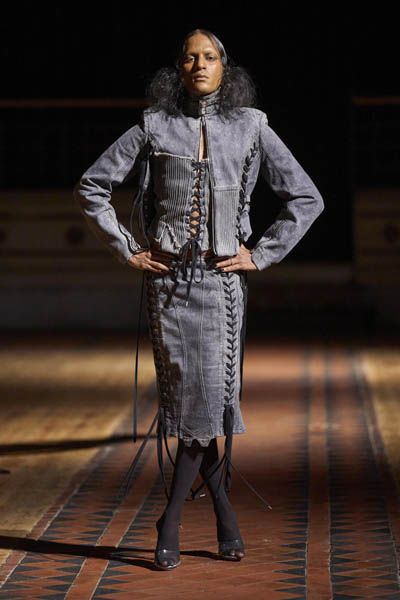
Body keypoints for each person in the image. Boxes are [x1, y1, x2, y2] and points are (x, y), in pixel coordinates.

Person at [73, 28, 324, 570]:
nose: (200, 65)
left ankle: (171, 519)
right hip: (168, 286)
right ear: (178, 69)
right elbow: (92, 186)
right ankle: (224, 515)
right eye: (190, 57)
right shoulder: (154, 125)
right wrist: (129, 250)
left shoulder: (251, 125)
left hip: (221, 286)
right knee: (192, 406)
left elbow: (306, 197)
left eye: (209, 57)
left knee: (207, 403)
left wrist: (261, 253)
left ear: (225, 67)